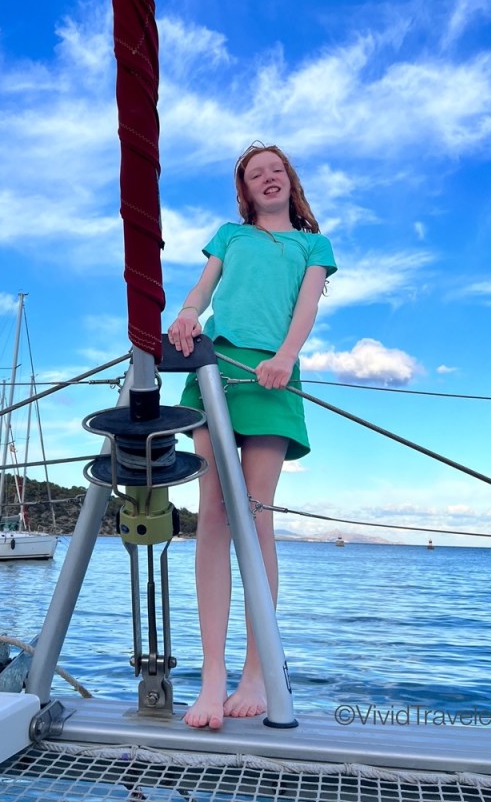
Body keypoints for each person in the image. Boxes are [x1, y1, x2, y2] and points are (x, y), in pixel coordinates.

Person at [167, 144, 337, 730]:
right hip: (215, 370)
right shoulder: (229, 236)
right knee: (213, 514)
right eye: (254, 173)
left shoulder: (313, 245)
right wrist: (187, 314)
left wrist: (286, 357)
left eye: (276, 170)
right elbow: (203, 288)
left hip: (273, 375)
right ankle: (212, 677)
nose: (267, 178)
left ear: (290, 180)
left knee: (256, 516)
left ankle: (256, 674)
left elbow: (306, 307)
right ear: (244, 190)